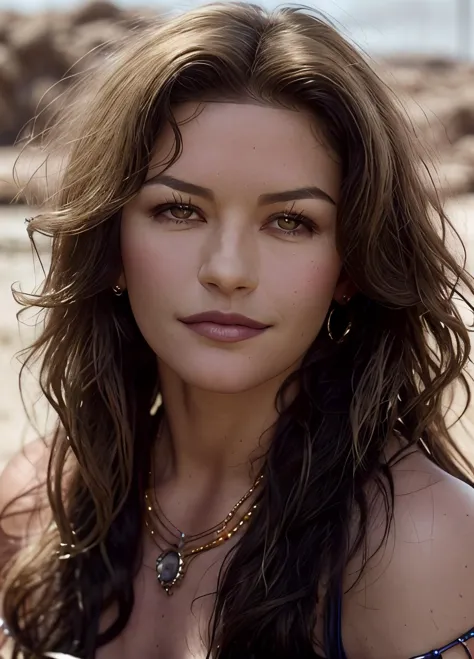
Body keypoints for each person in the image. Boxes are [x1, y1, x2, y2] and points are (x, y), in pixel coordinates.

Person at [1, 2, 474, 657]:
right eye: (178, 209)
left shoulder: (423, 542)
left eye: (290, 222)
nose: (227, 270)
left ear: (351, 268)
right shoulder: (37, 500)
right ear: (110, 244)